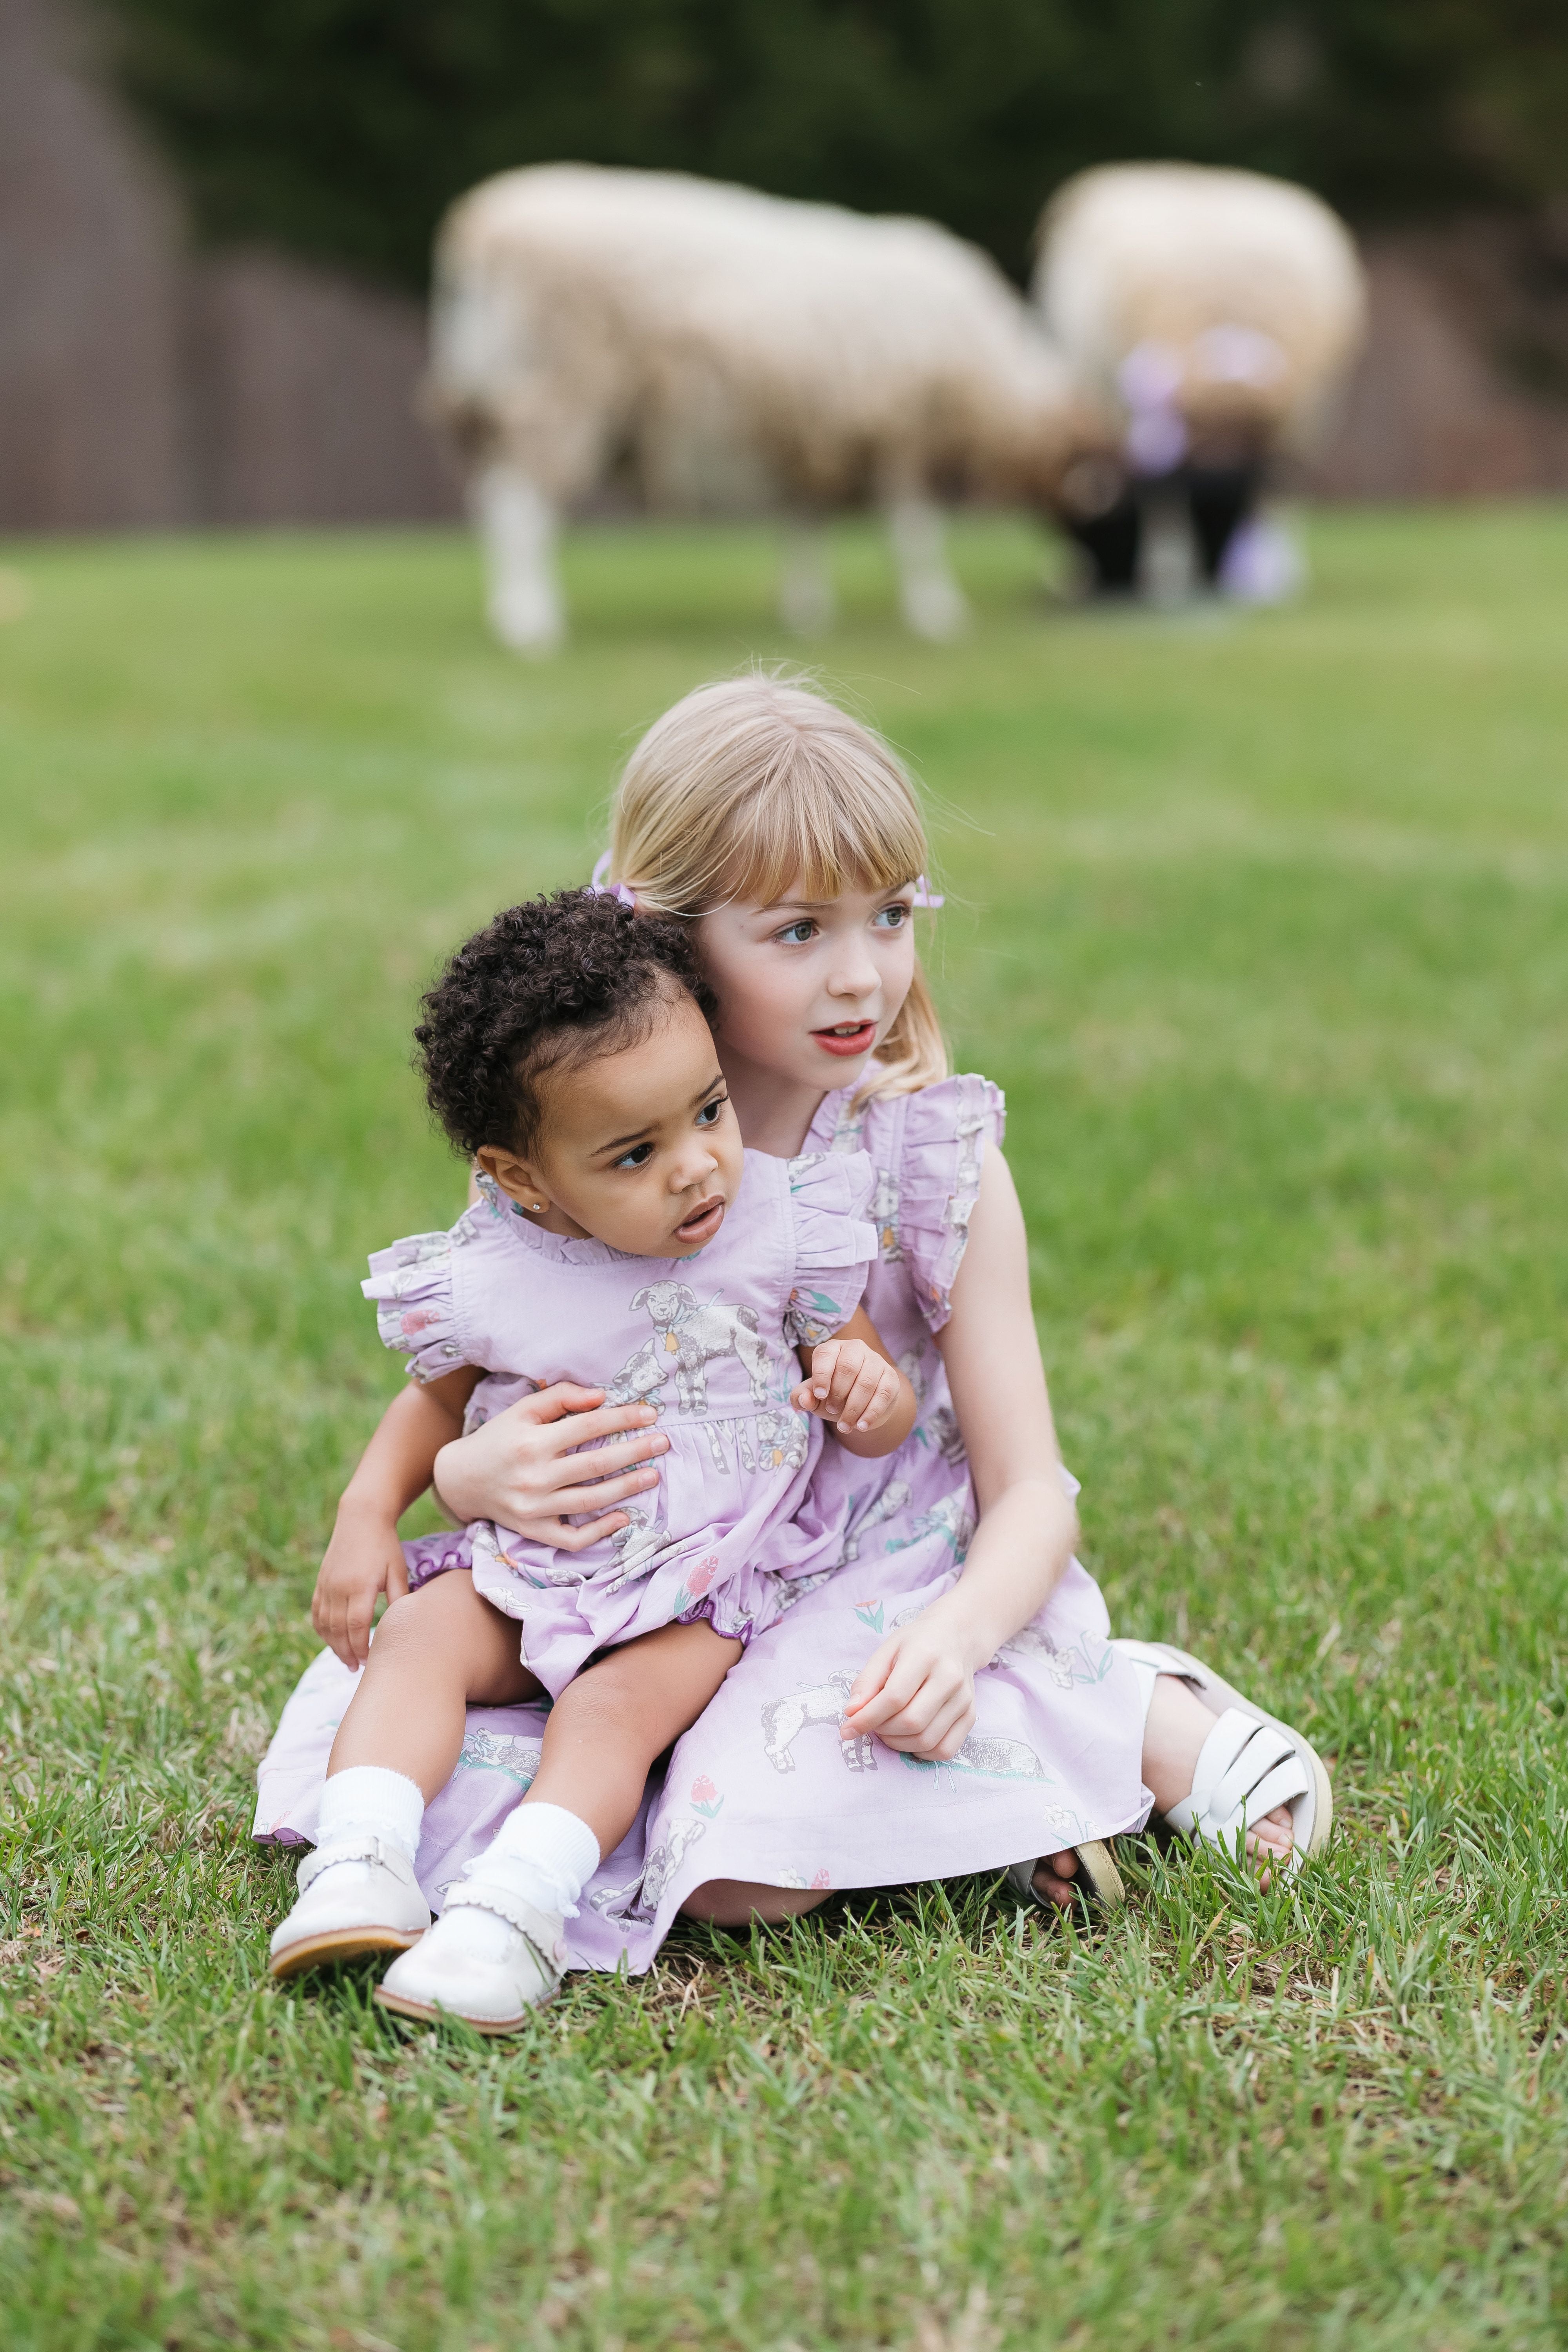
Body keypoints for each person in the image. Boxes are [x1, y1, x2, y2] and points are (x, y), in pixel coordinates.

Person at [256, 673, 1328, 1988]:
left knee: (743, 1873)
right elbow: (487, 1365)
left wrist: (952, 1641)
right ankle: (981, 1815)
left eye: (891, 915)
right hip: (634, 1570)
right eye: (799, 931)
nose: (864, 973)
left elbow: (1031, 1491)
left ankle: (1142, 1709)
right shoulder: (586, 1133)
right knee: (423, 1748)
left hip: (854, 1562)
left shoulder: (928, 1163)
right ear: (667, 932)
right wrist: (472, 1478)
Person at [266, 886, 914, 2030]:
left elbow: (876, 1402)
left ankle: (516, 1913)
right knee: (420, 1638)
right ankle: (358, 1860)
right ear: (524, 1177)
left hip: (700, 1585)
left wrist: (865, 1391)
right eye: (633, 1153)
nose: (698, 1168)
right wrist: (367, 1517)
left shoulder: (784, 1222)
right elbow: (428, 1409)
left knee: (611, 1718)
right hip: (536, 1563)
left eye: (710, 1111)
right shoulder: (498, 1266)